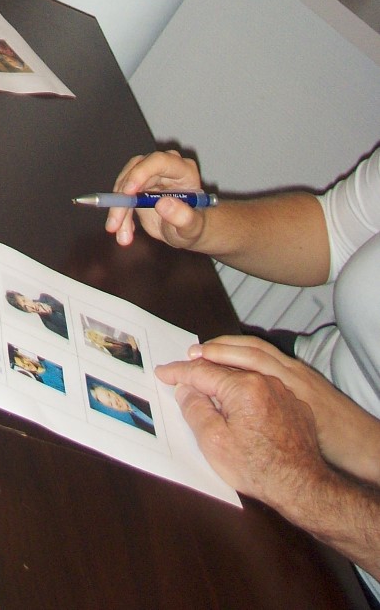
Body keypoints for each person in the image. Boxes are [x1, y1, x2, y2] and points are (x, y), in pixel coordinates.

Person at [107, 146, 380, 602]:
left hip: (349, 555)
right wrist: (197, 225)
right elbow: (333, 231)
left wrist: (347, 443)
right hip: (295, 376)